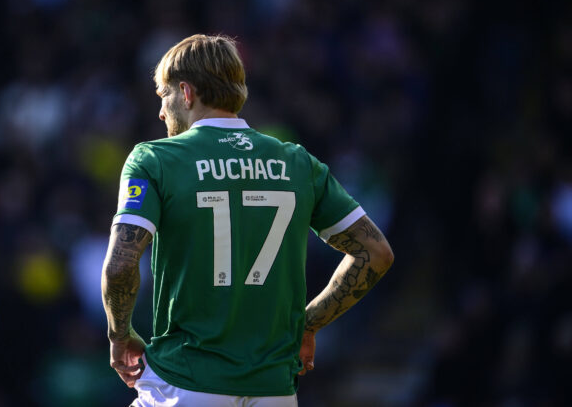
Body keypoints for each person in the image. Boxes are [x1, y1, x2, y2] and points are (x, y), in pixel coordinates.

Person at [101, 34, 394, 407]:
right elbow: (376, 253)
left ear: (187, 93)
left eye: (164, 95)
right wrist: (307, 324)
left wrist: (119, 334)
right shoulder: (298, 162)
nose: (161, 112)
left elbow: (120, 264)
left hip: (185, 381)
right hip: (275, 390)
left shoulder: (154, 159)